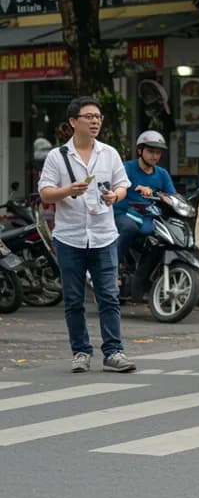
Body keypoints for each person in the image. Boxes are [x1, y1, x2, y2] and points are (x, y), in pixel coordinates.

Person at [38, 96, 135, 373]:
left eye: (98, 117)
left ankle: (114, 352)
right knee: (73, 299)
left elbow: (122, 186)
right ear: (73, 122)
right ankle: (80, 351)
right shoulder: (57, 157)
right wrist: (67, 190)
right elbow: (45, 192)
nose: (95, 121)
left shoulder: (110, 153)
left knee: (108, 296)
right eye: (89, 116)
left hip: (104, 235)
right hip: (70, 237)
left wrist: (114, 196)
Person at [114, 130, 177, 267]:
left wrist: (164, 197)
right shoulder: (126, 168)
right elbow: (116, 186)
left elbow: (173, 196)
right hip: (124, 213)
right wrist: (139, 187)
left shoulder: (162, 174)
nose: (154, 156)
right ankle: (113, 268)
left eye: (158, 153)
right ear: (140, 151)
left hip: (148, 217)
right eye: (150, 151)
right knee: (129, 227)